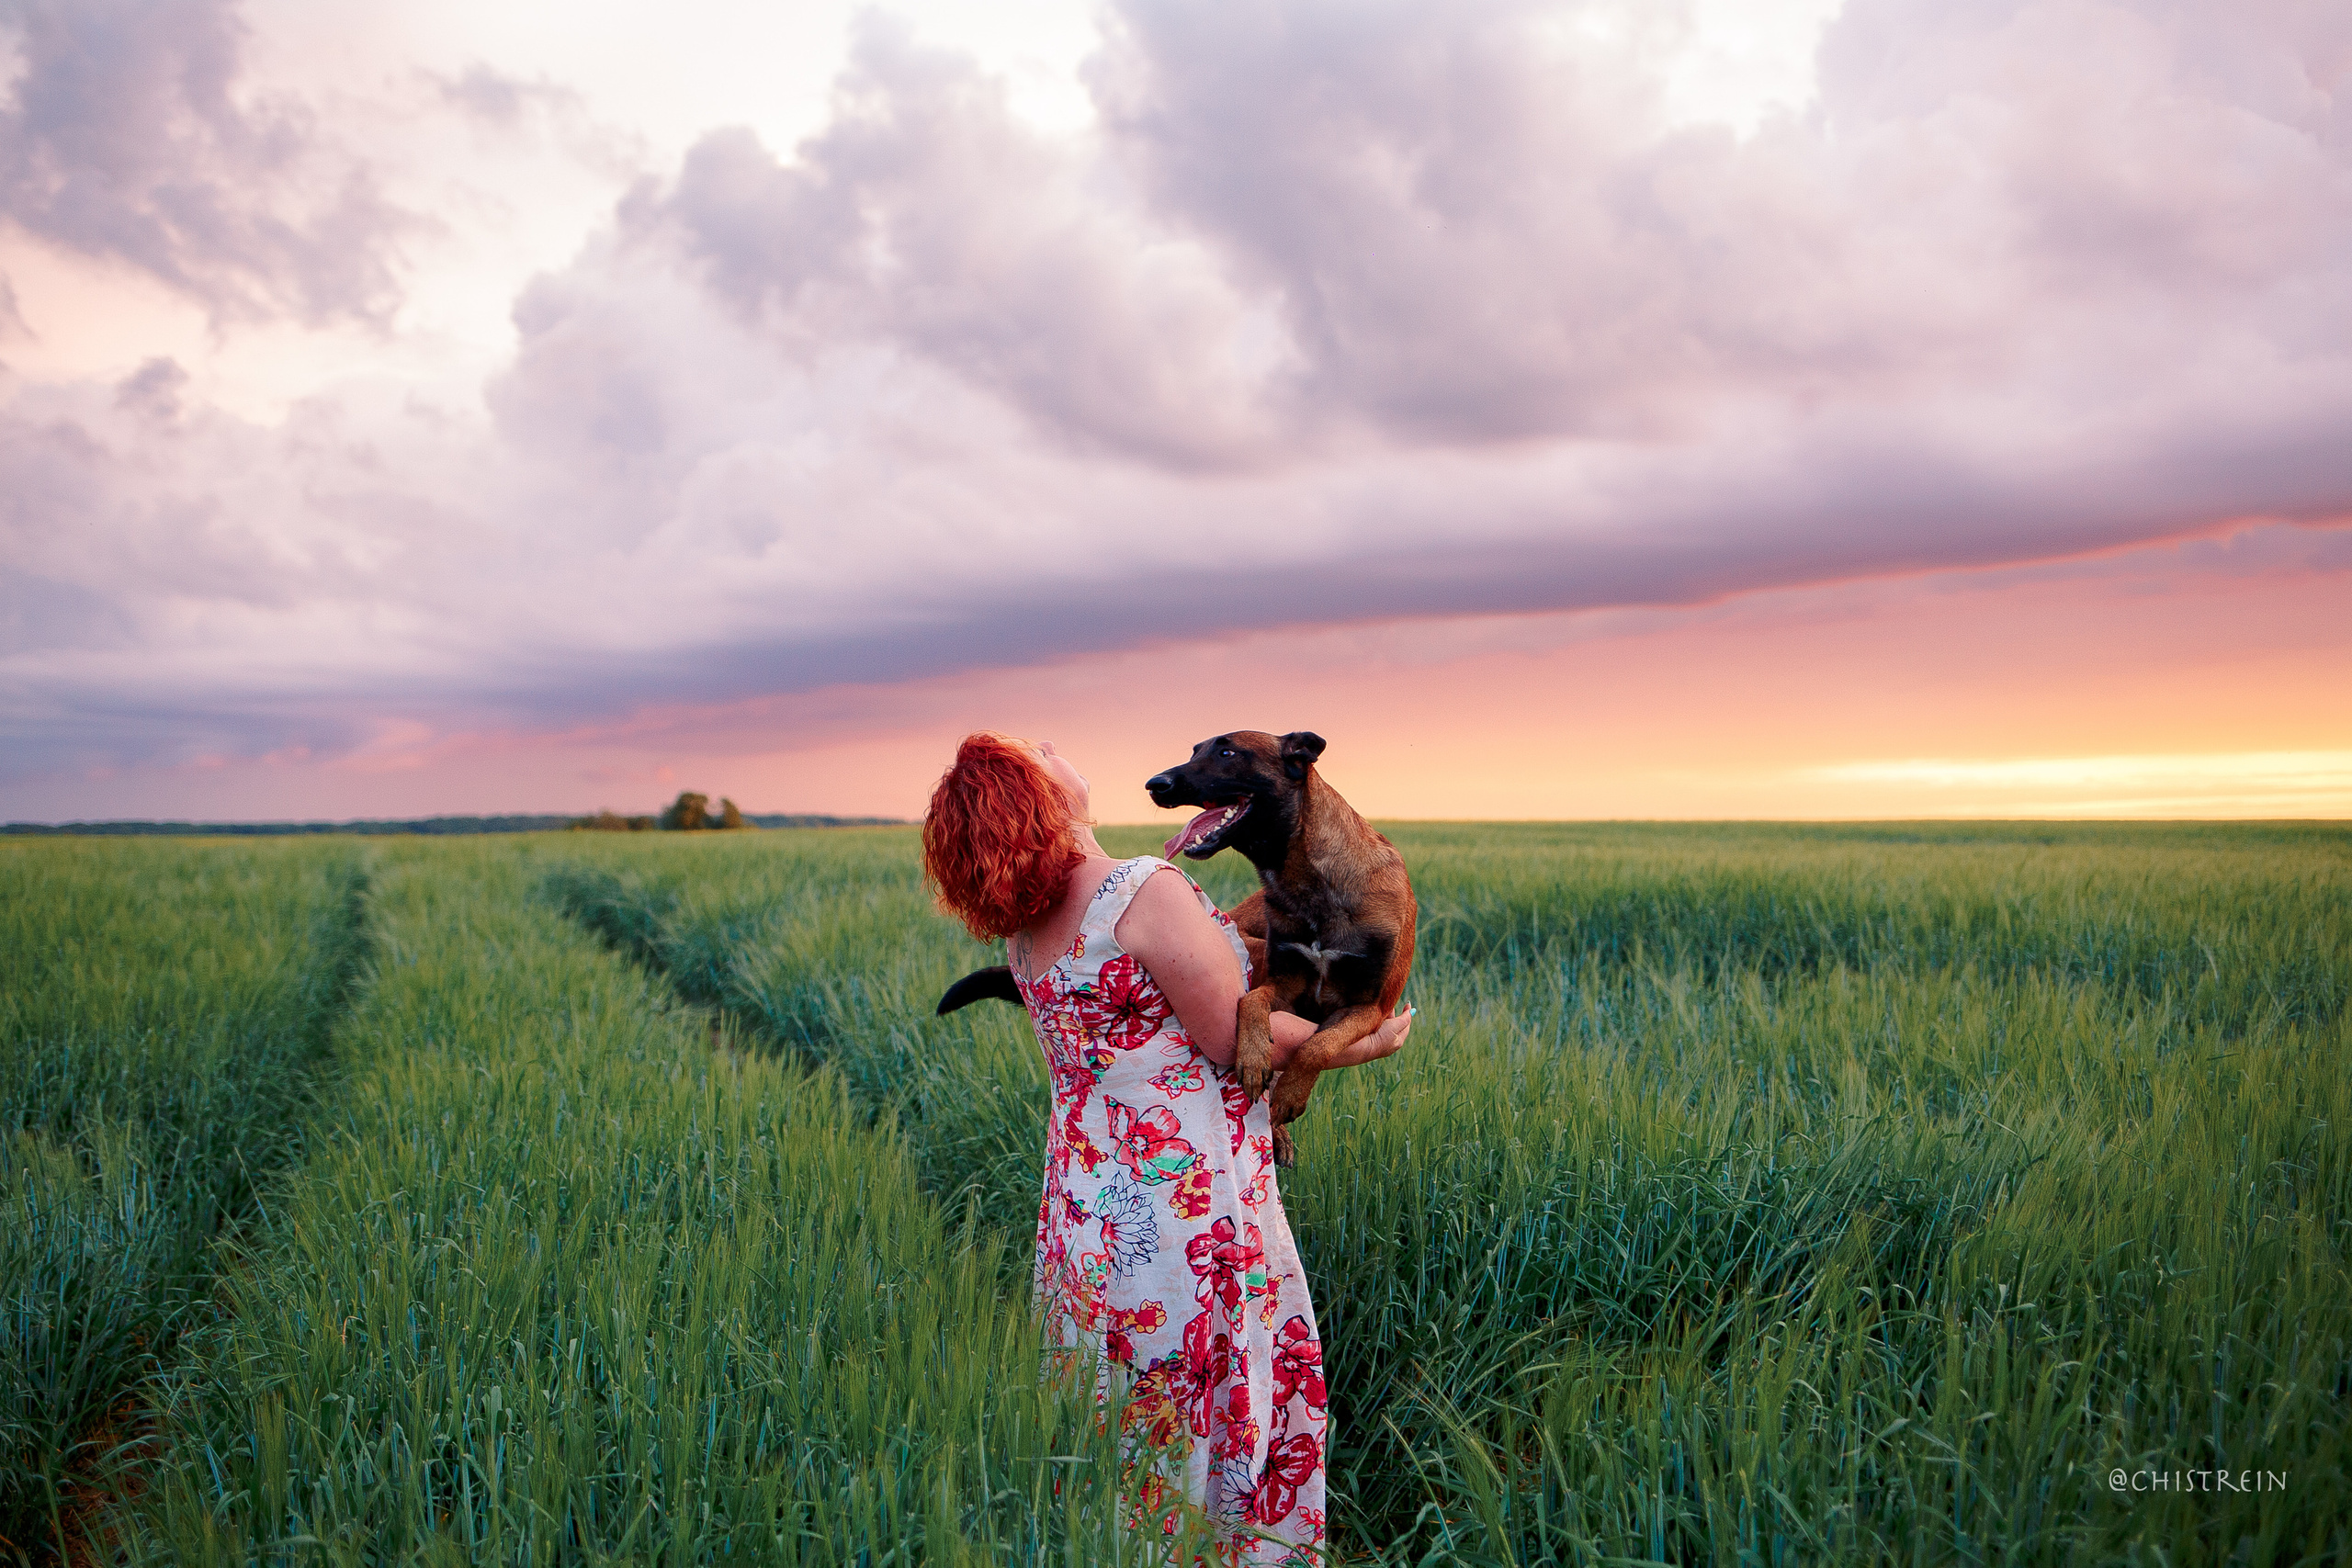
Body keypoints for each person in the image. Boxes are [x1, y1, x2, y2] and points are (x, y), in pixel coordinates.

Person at [922, 733, 1412, 1561]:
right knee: (1204, 1413)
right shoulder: (1142, 890)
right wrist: (1362, 1042)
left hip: (1085, 1219)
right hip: (1186, 1221)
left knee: (1119, 1424)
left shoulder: (1027, 927)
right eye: (1038, 753)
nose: (1055, 747)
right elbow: (1232, 1035)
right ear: (1040, 797)